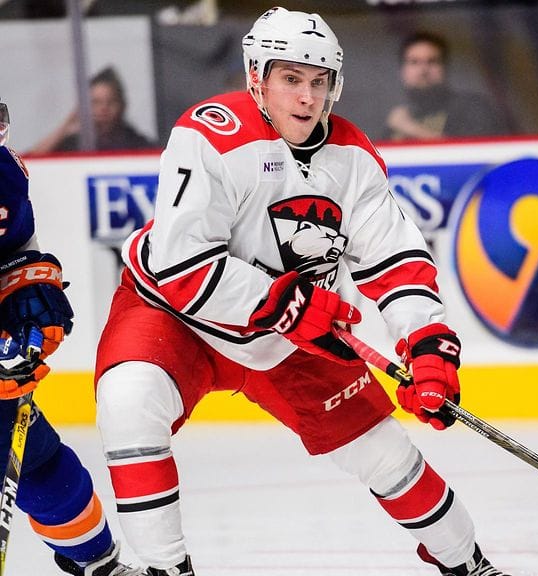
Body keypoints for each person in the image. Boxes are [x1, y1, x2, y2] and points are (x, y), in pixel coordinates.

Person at [92, 8, 510, 576]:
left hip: (289, 334)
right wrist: (283, 304)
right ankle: (166, 569)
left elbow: (395, 259)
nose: (308, 97)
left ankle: (468, 563)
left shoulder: (353, 157)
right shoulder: (210, 134)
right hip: (173, 315)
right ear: (256, 77)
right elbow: (181, 264)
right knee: (129, 403)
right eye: (291, 78)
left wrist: (428, 342)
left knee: (386, 455)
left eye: (319, 81)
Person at [0, 100, 143, 575]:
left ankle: (98, 563)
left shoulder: (5, 174)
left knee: (43, 468)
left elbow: (16, 250)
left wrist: (29, 292)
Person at [385, 31, 507, 140]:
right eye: (414, 62)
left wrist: (411, 128)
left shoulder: (472, 108)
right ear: (402, 71)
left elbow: (476, 153)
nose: (423, 70)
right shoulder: (400, 119)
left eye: (432, 61)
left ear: (445, 68)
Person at [30, 67, 156, 154]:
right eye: (95, 102)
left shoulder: (137, 144)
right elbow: (28, 165)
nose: (103, 108)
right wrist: (65, 128)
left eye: (111, 102)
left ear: (122, 105)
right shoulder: (73, 143)